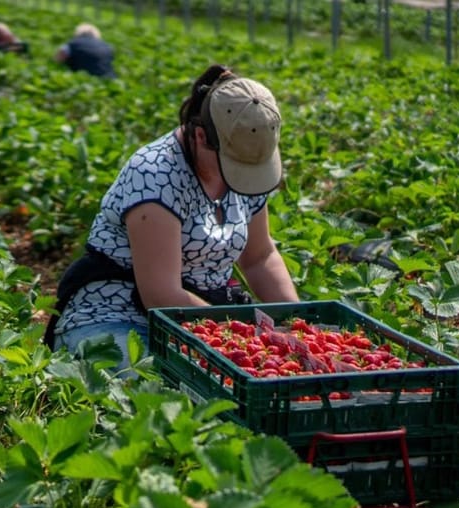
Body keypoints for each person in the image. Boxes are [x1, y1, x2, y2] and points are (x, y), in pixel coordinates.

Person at [45, 64, 300, 368]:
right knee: (158, 385)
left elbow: (259, 257)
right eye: (234, 165)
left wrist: (298, 326)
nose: (242, 178)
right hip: (118, 319)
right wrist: (234, 343)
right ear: (201, 136)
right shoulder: (155, 175)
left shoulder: (246, 157)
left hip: (204, 320)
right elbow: (161, 295)